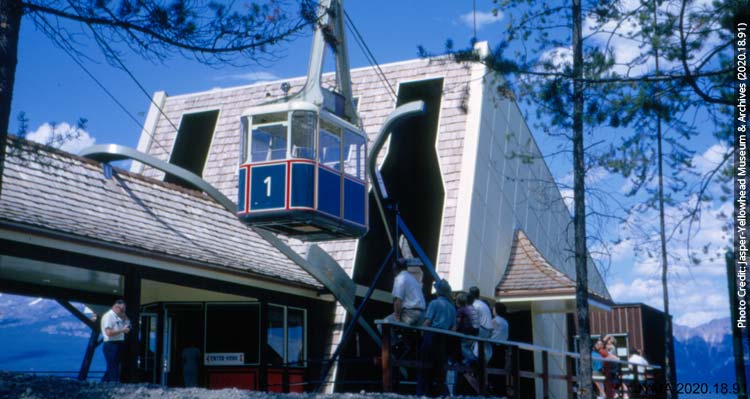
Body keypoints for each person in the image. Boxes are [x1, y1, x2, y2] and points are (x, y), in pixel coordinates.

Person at [417, 279, 455, 397]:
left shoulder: (434, 303)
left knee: (424, 367)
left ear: (438, 291)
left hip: (432, 337)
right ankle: (438, 393)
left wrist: (420, 332)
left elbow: (427, 321)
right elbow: (453, 328)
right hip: (444, 340)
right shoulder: (452, 308)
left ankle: (423, 393)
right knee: (439, 370)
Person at [384, 257, 426, 326]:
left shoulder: (400, 278)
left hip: (410, 313)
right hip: (421, 315)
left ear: (395, 268)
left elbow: (397, 301)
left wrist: (397, 318)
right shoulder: (412, 278)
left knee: (383, 324)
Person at [101, 299, 131, 382]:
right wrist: (122, 330)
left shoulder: (118, 316)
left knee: (115, 365)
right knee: (113, 366)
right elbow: (108, 333)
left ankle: (105, 382)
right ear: (116, 307)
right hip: (111, 344)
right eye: (121, 309)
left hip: (119, 342)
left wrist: (124, 316)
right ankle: (113, 384)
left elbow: (128, 323)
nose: (123, 311)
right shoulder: (109, 316)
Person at [469, 286, 493, 364]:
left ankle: (468, 362)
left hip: (482, 330)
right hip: (488, 331)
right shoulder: (483, 304)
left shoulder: (474, 305)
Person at [455, 293, 478, 364]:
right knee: (468, 348)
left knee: (463, 347)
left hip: (466, 332)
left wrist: (453, 330)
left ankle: (474, 359)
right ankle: (467, 364)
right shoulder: (469, 308)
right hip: (473, 331)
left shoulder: (460, 310)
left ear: (457, 302)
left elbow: (457, 322)